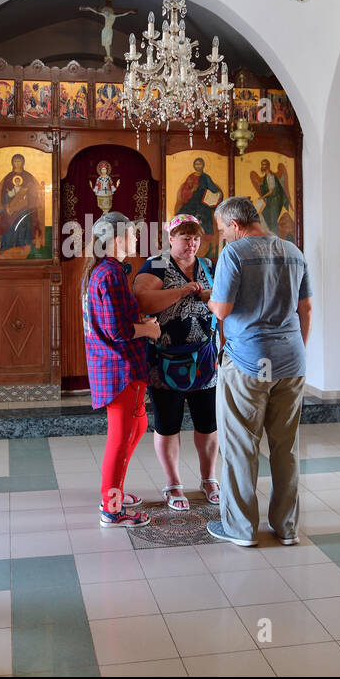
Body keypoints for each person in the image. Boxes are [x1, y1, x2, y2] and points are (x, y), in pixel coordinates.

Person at [206, 197, 312, 546]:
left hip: (249, 361)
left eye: (222, 230)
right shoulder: (293, 252)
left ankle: (241, 529)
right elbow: (305, 308)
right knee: (286, 447)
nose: (221, 237)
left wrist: (209, 298)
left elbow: (220, 310)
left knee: (240, 445)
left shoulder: (234, 254)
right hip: (291, 361)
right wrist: (298, 350)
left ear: (236, 225)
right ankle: (287, 528)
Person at [133, 214, 220, 511]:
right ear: (170, 238)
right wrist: (182, 291)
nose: (192, 244)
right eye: (185, 238)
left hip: (204, 358)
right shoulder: (157, 264)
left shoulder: (207, 265)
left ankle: (209, 479)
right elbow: (143, 300)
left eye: (196, 238)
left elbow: (220, 301)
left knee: (208, 423)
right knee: (168, 423)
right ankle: (173, 484)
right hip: (165, 360)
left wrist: (209, 296)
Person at [83, 211, 161, 527]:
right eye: (131, 235)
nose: (134, 241)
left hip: (113, 365)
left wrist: (140, 324)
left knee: (137, 426)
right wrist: (149, 330)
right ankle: (111, 508)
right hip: (120, 368)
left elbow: (111, 321)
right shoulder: (111, 273)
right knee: (120, 437)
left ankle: (114, 490)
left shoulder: (101, 270)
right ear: (117, 240)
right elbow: (117, 330)